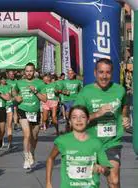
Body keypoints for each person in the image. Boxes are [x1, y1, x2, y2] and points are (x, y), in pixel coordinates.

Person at [74, 58, 131, 188]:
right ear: (95, 73)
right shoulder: (86, 92)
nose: (104, 76)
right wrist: (97, 114)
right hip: (89, 143)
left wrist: (125, 117)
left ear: (112, 73)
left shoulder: (119, 90)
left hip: (112, 142)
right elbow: (75, 120)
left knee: (114, 180)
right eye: (101, 72)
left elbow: (124, 106)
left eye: (108, 72)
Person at [46, 105, 112, 188]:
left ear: (88, 120)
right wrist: (48, 183)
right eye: (74, 117)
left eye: (83, 117)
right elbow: (50, 158)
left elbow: (107, 171)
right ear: (70, 121)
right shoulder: (62, 141)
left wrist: (102, 169)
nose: (78, 120)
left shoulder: (96, 143)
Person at [13, 62, 46, 169]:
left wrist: (35, 91)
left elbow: (45, 99)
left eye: (31, 71)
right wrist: (16, 97)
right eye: (27, 71)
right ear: (24, 71)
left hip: (35, 112)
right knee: (27, 135)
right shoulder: (20, 82)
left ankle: (32, 152)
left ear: (34, 71)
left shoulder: (40, 83)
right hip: (23, 110)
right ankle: (26, 158)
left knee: (35, 137)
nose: (29, 73)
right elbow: (13, 90)